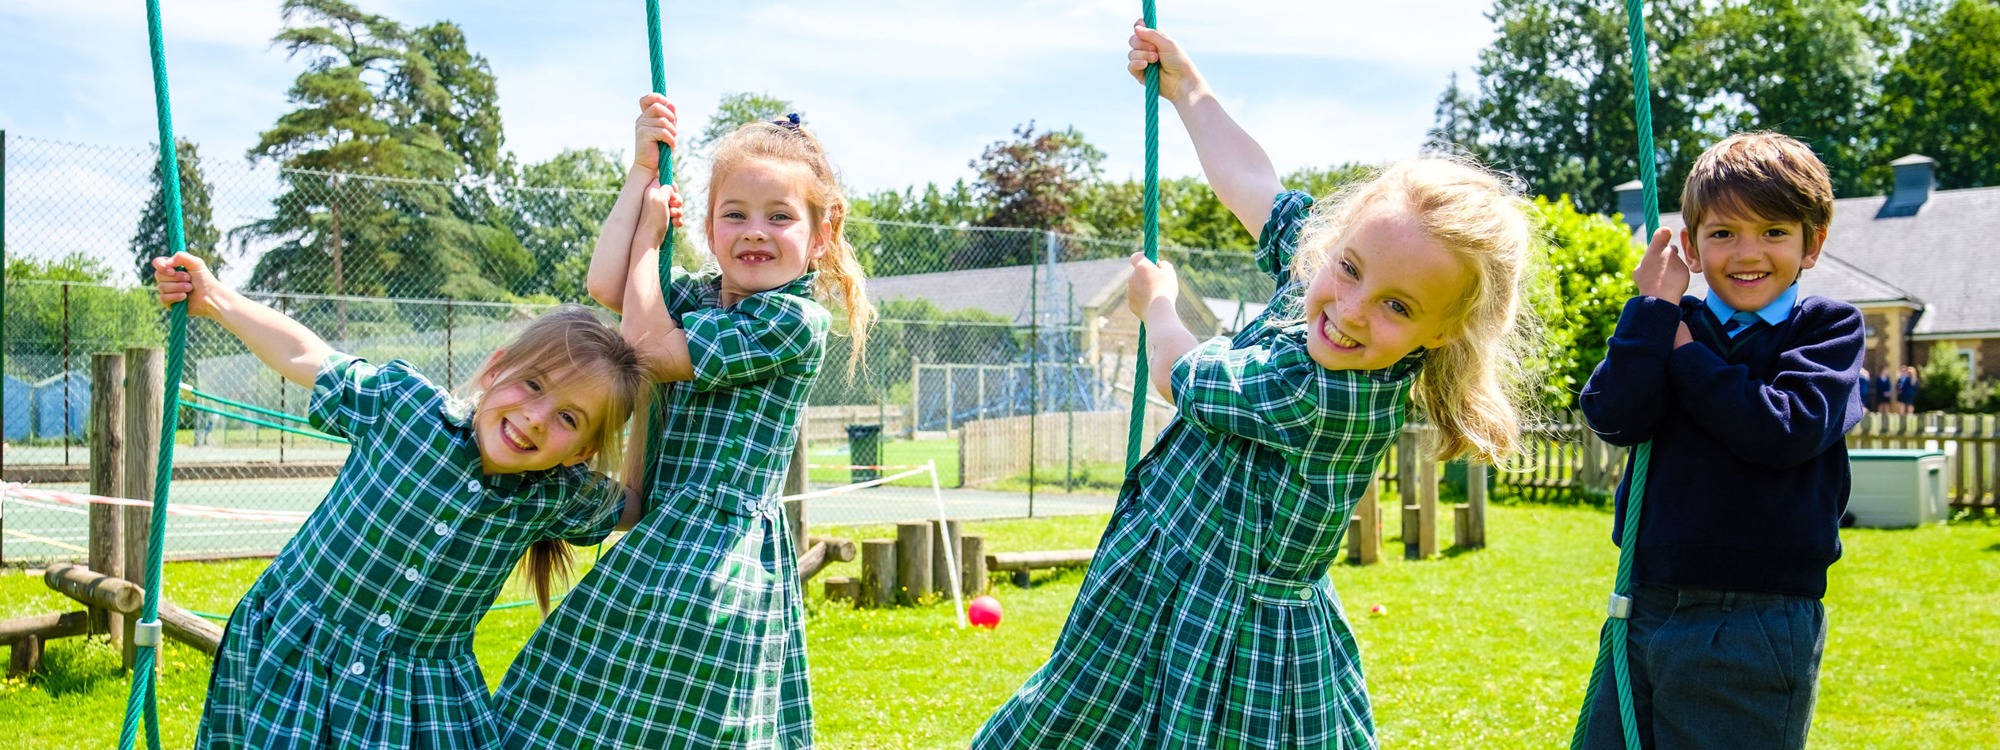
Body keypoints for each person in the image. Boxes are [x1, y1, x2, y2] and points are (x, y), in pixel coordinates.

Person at [973, 24, 1539, 749]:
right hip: (1172, 581)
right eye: (1349, 268)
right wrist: (1189, 90)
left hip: (1235, 641)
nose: (1351, 309)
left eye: (1397, 306)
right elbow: (1254, 187)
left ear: (1442, 332)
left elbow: (1184, 376)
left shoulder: (1324, 393)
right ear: (1335, 243)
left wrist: (1158, 309)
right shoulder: (1321, 286)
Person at [492, 94, 874, 749]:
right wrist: (642, 172)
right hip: (669, 529)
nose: (755, 231)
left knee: (675, 719)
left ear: (820, 236)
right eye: (735, 214)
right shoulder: (698, 298)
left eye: (779, 216)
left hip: (715, 556)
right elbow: (608, 284)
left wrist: (649, 242)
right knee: (590, 697)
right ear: (709, 226)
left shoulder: (791, 321)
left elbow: (647, 348)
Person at [153, 253, 648, 749]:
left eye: (569, 418)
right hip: (299, 656)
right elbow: (305, 354)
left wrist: (660, 371)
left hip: (415, 699)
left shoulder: (555, 496)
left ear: (582, 452)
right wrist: (215, 298)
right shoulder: (404, 408)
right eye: (534, 384)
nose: (537, 417)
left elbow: (638, 503)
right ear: (495, 371)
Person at [1576, 132, 1865, 749]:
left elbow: (1781, 430)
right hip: (1645, 601)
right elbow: (1614, 417)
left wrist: (1685, 355)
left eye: (1774, 232)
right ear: (1692, 247)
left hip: (1756, 619)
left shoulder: (1826, 330)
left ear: (1812, 244)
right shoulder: (1667, 322)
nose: (1747, 252)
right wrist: (1651, 312)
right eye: (1724, 233)